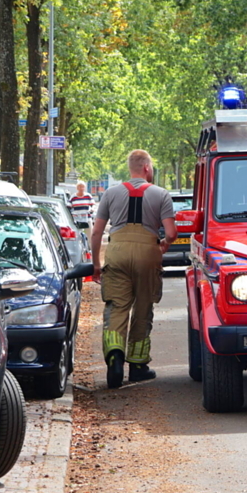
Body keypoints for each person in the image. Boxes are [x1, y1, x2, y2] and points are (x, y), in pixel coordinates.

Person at [91, 150, 176, 388]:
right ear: (147, 168)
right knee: (143, 307)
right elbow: (171, 233)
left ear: (130, 168)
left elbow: (97, 231)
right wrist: (164, 245)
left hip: (117, 252)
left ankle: (114, 359)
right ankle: (138, 367)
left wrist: (97, 265)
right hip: (147, 253)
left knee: (117, 308)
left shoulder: (110, 193)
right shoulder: (161, 194)